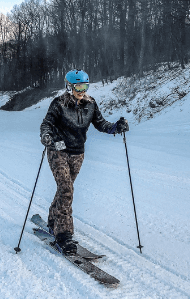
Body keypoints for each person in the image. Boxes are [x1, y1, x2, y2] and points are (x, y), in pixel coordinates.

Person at [39, 69, 129, 255]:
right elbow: (46, 124)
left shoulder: (91, 104)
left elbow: (101, 124)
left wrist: (115, 127)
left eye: (85, 86)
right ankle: (64, 235)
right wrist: (46, 135)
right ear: (69, 86)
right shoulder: (59, 104)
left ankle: (52, 220)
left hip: (78, 153)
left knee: (66, 188)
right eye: (78, 86)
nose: (82, 90)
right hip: (58, 151)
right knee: (66, 189)